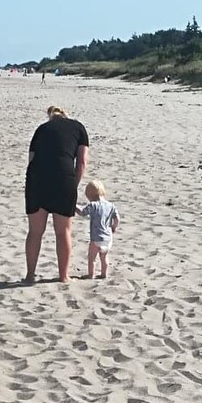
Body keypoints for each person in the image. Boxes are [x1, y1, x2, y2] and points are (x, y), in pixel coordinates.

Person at [24, 104, 89, 284]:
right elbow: (82, 161)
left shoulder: (41, 129)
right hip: (63, 177)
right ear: (66, 116)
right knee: (63, 231)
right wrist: (73, 186)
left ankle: (30, 275)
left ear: (51, 117)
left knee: (35, 232)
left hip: (37, 178)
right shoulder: (78, 128)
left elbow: (31, 160)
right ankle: (63, 276)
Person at [77, 179, 119, 279]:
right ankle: (104, 274)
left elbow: (82, 212)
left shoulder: (93, 205)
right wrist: (114, 227)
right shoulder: (111, 205)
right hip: (108, 238)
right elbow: (117, 218)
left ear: (90, 195)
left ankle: (91, 274)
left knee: (92, 258)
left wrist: (74, 206)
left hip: (96, 237)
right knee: (104, 257)